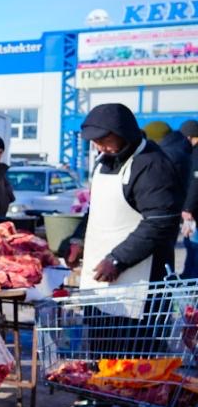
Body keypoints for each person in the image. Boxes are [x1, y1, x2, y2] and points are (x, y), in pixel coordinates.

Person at [67, 104, 180, 288]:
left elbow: (160, 221)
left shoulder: (151, 165)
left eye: (104, 139)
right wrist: (78, 240)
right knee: (99, 315)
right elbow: (97, 210)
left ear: (123, 133)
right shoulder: (104, 161)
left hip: (139, 278)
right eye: (94, 141)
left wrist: (118, 260)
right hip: (101, 269)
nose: (99, 147)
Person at [179, 119, 198, 279]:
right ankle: (189, 274)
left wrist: (188, 208)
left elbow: (196, 181)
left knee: (193, 244)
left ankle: (191, 278)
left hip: (195, 210)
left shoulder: (196, 154)